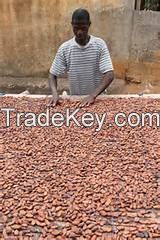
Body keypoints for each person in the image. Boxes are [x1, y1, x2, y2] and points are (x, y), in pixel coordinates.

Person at [49, 8, 114, 107]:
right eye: (76, 28)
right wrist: (54, 93)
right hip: (76, 100)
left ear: (89, 25)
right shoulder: (65, 48)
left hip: (98, 99)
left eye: (83, 28)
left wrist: (93, 95)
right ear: (72, 25)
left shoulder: (99, 45)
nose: (79, 32)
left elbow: (109, 74)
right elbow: (52, 75)